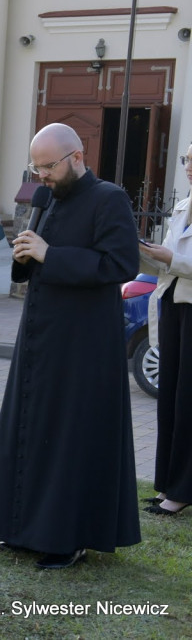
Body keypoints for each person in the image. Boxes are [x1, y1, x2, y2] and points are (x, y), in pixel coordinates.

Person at [0, 122, 141, 569]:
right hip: (39, 336)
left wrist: (50, 254)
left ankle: (68, 537)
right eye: (36, 168)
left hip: (85, 342)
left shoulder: (109, 199)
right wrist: (26, 256)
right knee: (31, 424)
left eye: (48, 167)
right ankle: (22, 527)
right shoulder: (45, 199)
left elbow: (120, 263)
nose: (41, 177)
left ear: (76, 157)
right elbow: (38, 259)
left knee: (71, 434)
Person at [140, 141, 192, 516]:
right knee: (170, 397)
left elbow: (180, 259)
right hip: (173, 302)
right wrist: (148, 252)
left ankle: (183, 490)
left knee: (188, 400)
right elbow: (172, 259)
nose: (189, 165)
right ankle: (168, 484)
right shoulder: (183, 203)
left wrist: (170, 257)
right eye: (187, 158)